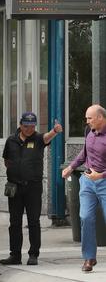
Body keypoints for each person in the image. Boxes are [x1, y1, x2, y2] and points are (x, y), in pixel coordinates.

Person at [0, 112, 63, 266]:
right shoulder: (11, 140)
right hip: (14, 186)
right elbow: (7, 161)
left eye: (32, 126)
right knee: (14, 222)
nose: (29, 129)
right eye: (26, 126)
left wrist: (55, 131)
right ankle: (15, 255)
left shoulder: (38, 139)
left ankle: (33, 255)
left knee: (33, 221)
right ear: (20, 125)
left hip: (33, 187)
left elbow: (46, 137)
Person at [61, 104, 106, 272]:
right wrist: (71, 167)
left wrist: (101, 175)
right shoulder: (89, 132)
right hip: (87, 182)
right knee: (86, 217)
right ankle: (89, 258)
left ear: (100, 118)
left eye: (90, 118)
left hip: (104, 182)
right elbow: (84, 153)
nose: (87, 121)